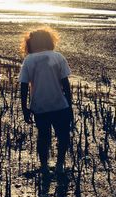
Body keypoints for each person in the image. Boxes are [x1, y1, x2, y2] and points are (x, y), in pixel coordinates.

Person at [19, 27, 73, 176]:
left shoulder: (29, 60)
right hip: (59, 105)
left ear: (30, 43)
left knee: (43, 136)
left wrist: (25, 108)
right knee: (63, 136)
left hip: (39, 106)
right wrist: (70, 105)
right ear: (50, 41)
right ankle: (60, 164)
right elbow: (66, 84)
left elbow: (23, 85)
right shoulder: (58, 57)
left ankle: (44, 166)